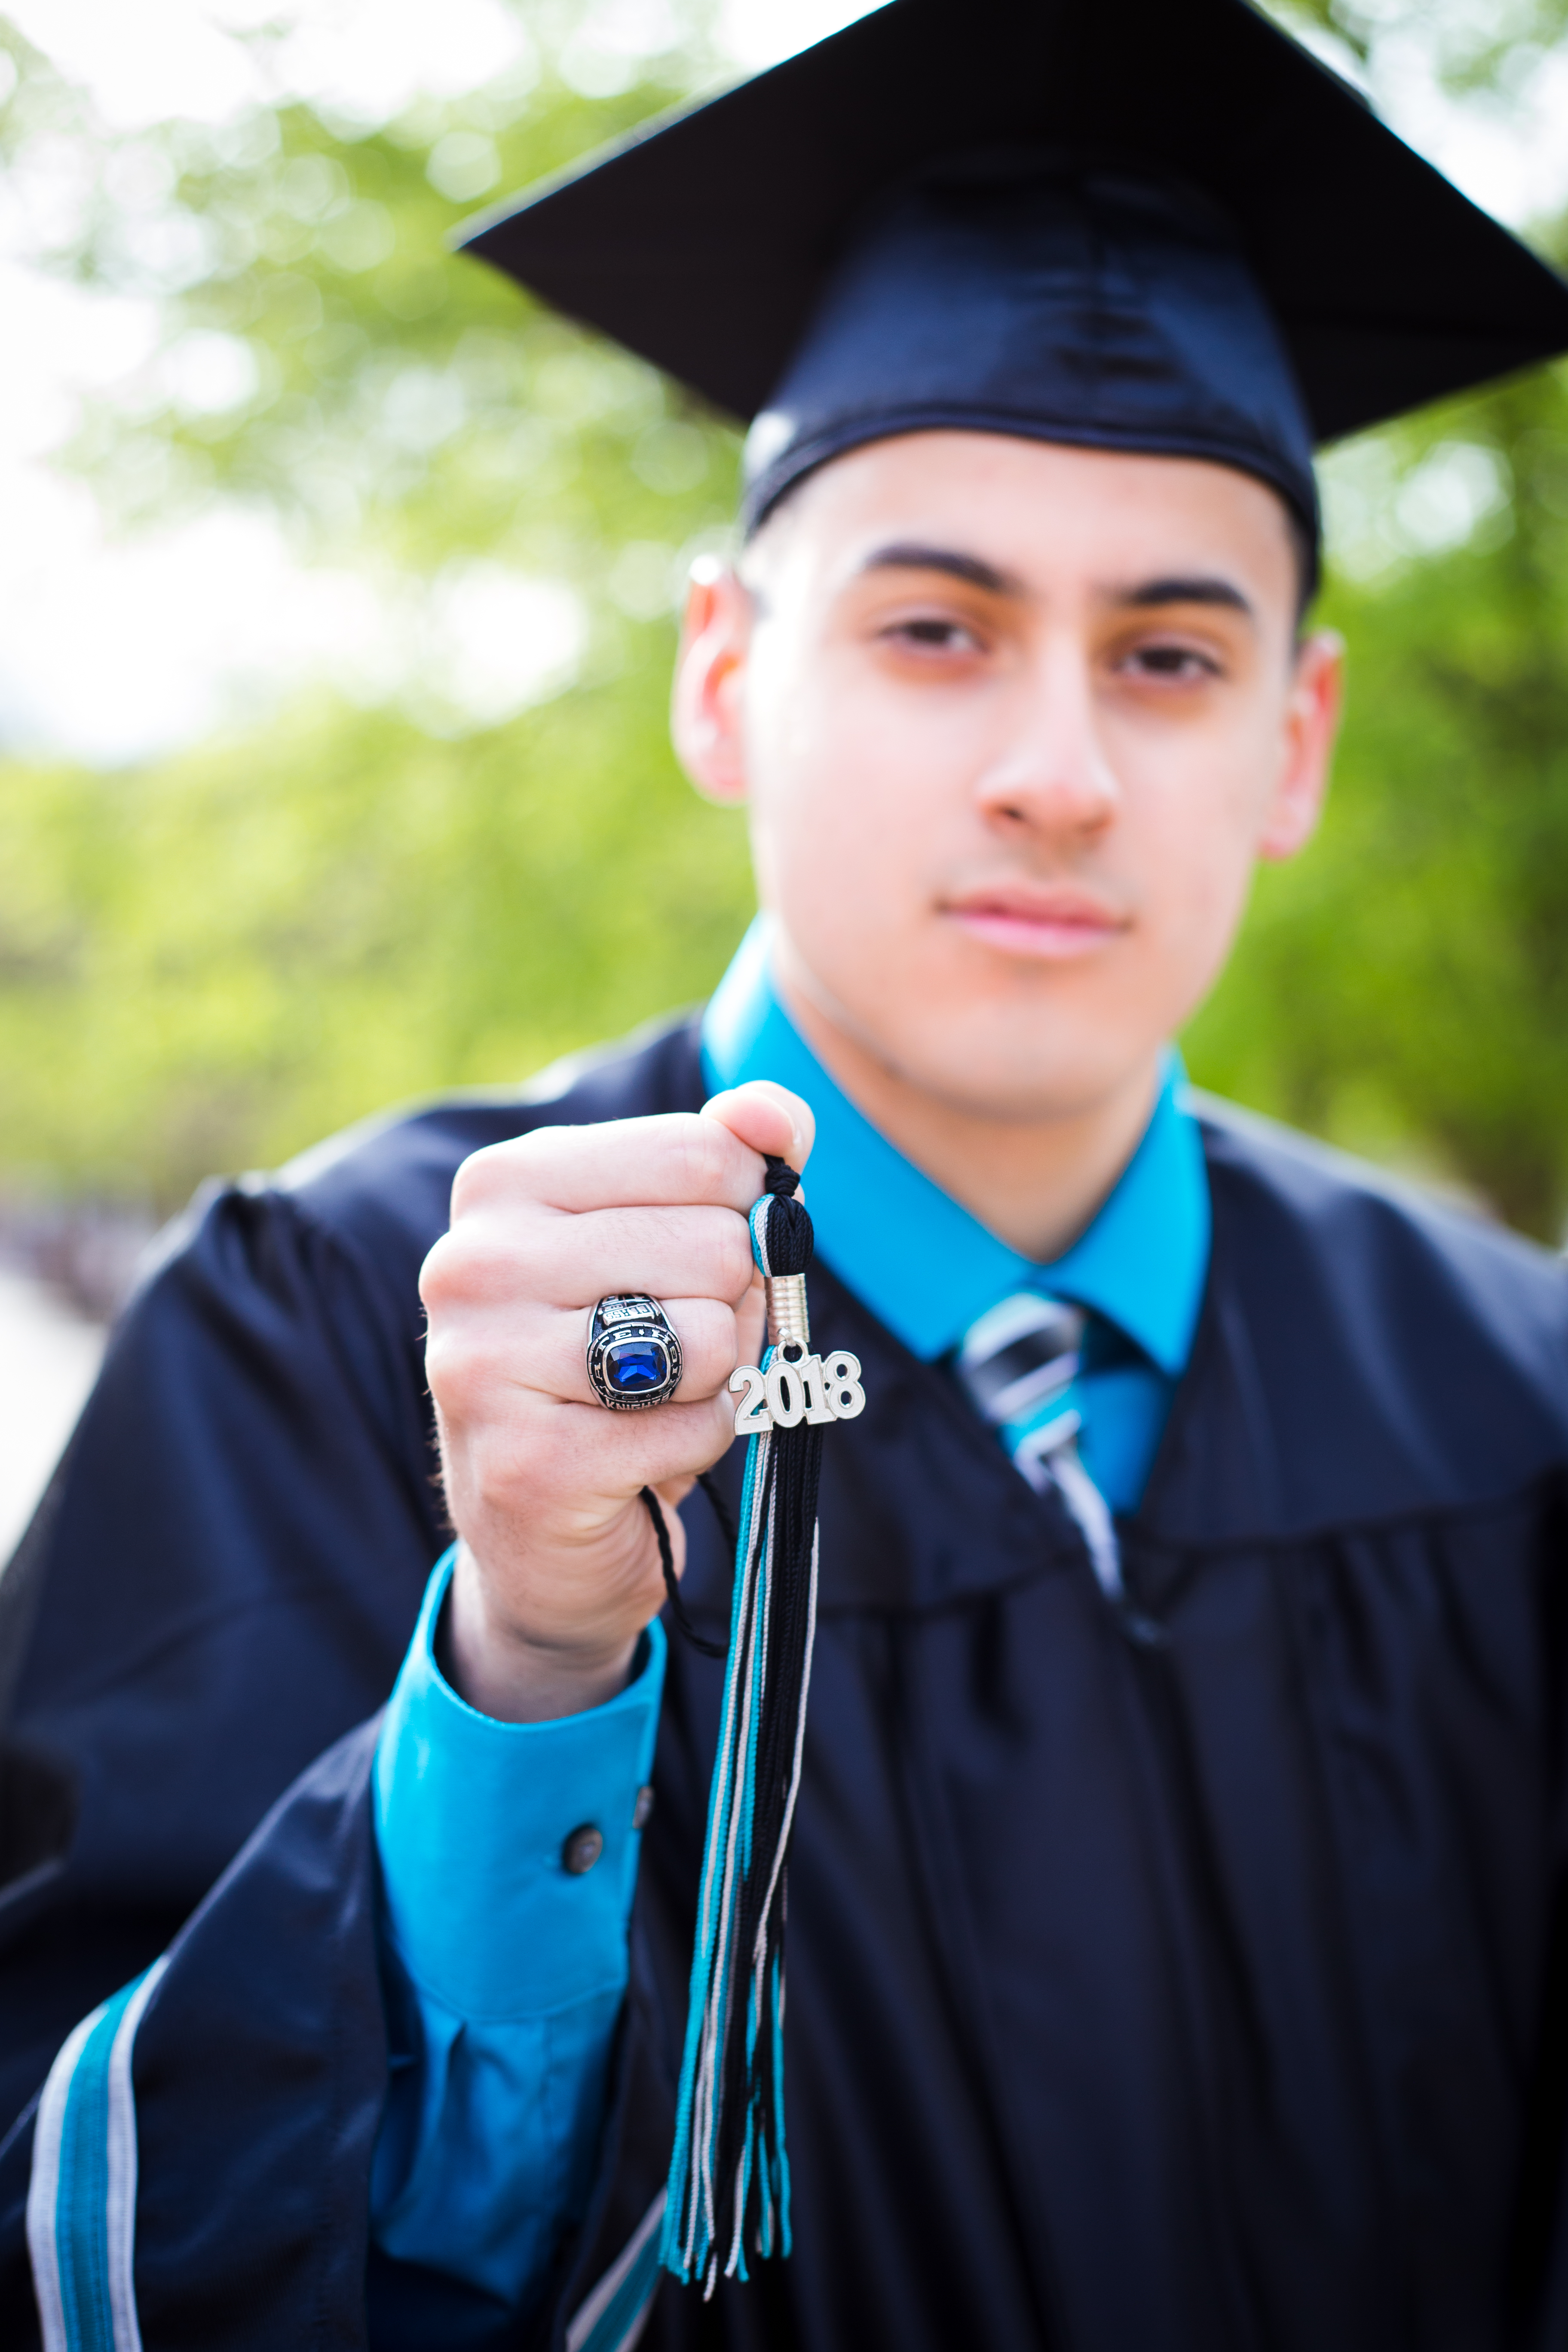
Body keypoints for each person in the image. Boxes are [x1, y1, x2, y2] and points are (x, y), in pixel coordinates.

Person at [9, 0, 1568, 2344]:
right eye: (936, 628)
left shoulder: (1509, 1398)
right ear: (727, 672)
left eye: (1168, 655)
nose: (1057, 767)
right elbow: (109, 2253)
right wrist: (526, 1663)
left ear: (1297, 738)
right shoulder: (323, 1337)